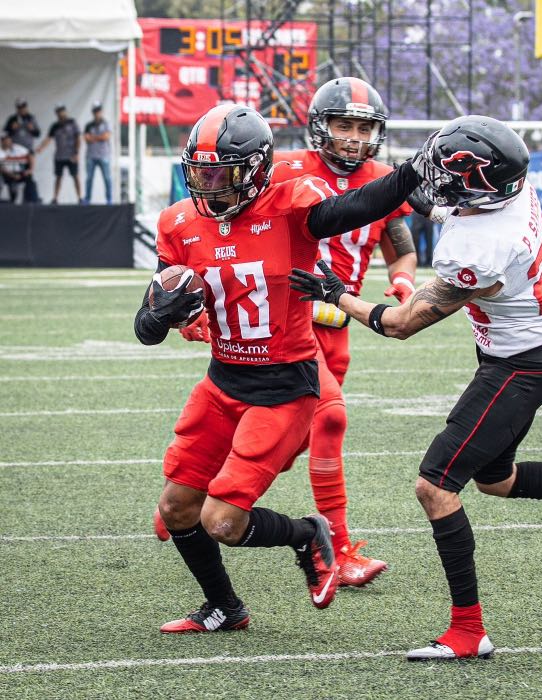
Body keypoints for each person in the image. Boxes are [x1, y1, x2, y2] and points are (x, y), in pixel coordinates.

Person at [289, 115, 542, 661]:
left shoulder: (479, 244)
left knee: (434, 487)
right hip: (531, 349)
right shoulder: (512, 192)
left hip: (518, 367)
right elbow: (448, 202)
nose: (437, 179)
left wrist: (335, 292)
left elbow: (399, 323)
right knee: (497, 480)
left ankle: (468, 632)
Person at [134, 103, 422, 633]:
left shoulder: (292, 206)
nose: (211, 185)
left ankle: (308, 535)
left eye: (223, 173)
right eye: (200, 172)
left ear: (258, 169)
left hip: (285, 385)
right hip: (221, 381)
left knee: (221, 520)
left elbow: (357, 206)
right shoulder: (178, 221)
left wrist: (414, 170)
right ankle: (225, 607)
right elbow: (147, 323)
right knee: (177, 507)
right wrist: (160, 315)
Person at [36, 104, 81, 204]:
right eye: (58, 111)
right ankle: (55, 198)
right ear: (56, 113)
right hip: (59, 156)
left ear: (65, 111)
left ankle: (80, 197)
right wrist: (41, 147)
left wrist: (77, 152)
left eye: (62, 110)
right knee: (58, 177)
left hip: (71, 155)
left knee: (75, 176)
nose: (61, 113)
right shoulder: (55, 126)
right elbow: (48, 138)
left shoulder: (72, 123)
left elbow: (78, 138)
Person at [83, 102, 113, 204]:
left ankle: (109, 199)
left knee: (107, 178)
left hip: (104, 155)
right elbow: (86, 139)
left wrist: (94, 137)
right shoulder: (89, 125)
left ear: (101, 112)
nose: (97, 113)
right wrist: (100, 137)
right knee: (89, 178)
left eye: (98, 111)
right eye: (95, 111)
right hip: (91, 156)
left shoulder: (106, 124)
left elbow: (106, 136)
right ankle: (87, 198)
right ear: (93, 112)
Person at [0, 131, 39, 203]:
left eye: (9, 139)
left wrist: (30, 170)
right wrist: (12, 175)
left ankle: (34, 201)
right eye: (6, 139)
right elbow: (1, 169)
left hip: (20, 173)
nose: (9, 141)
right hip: (6, 174)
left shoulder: (17, 148)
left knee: (30, 180)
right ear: (2, 141)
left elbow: (30, 155)